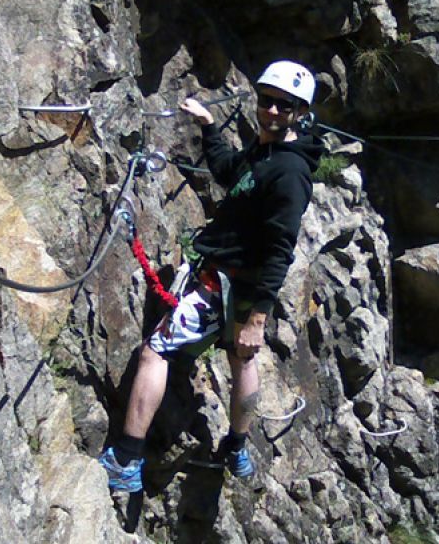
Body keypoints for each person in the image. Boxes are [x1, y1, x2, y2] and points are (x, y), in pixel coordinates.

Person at [99, 60, 323, 491]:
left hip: (226, 285)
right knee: (242, 360)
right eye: (267, 101)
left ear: (300, 112)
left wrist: (258, 317)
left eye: (284, 105)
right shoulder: (266, 153)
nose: (272, 111)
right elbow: (228, 172)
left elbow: (281, 250)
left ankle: (126, 458)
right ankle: (237, 447)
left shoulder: (290, 173)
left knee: (155, 351)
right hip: (236, 285)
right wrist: (208, 126)